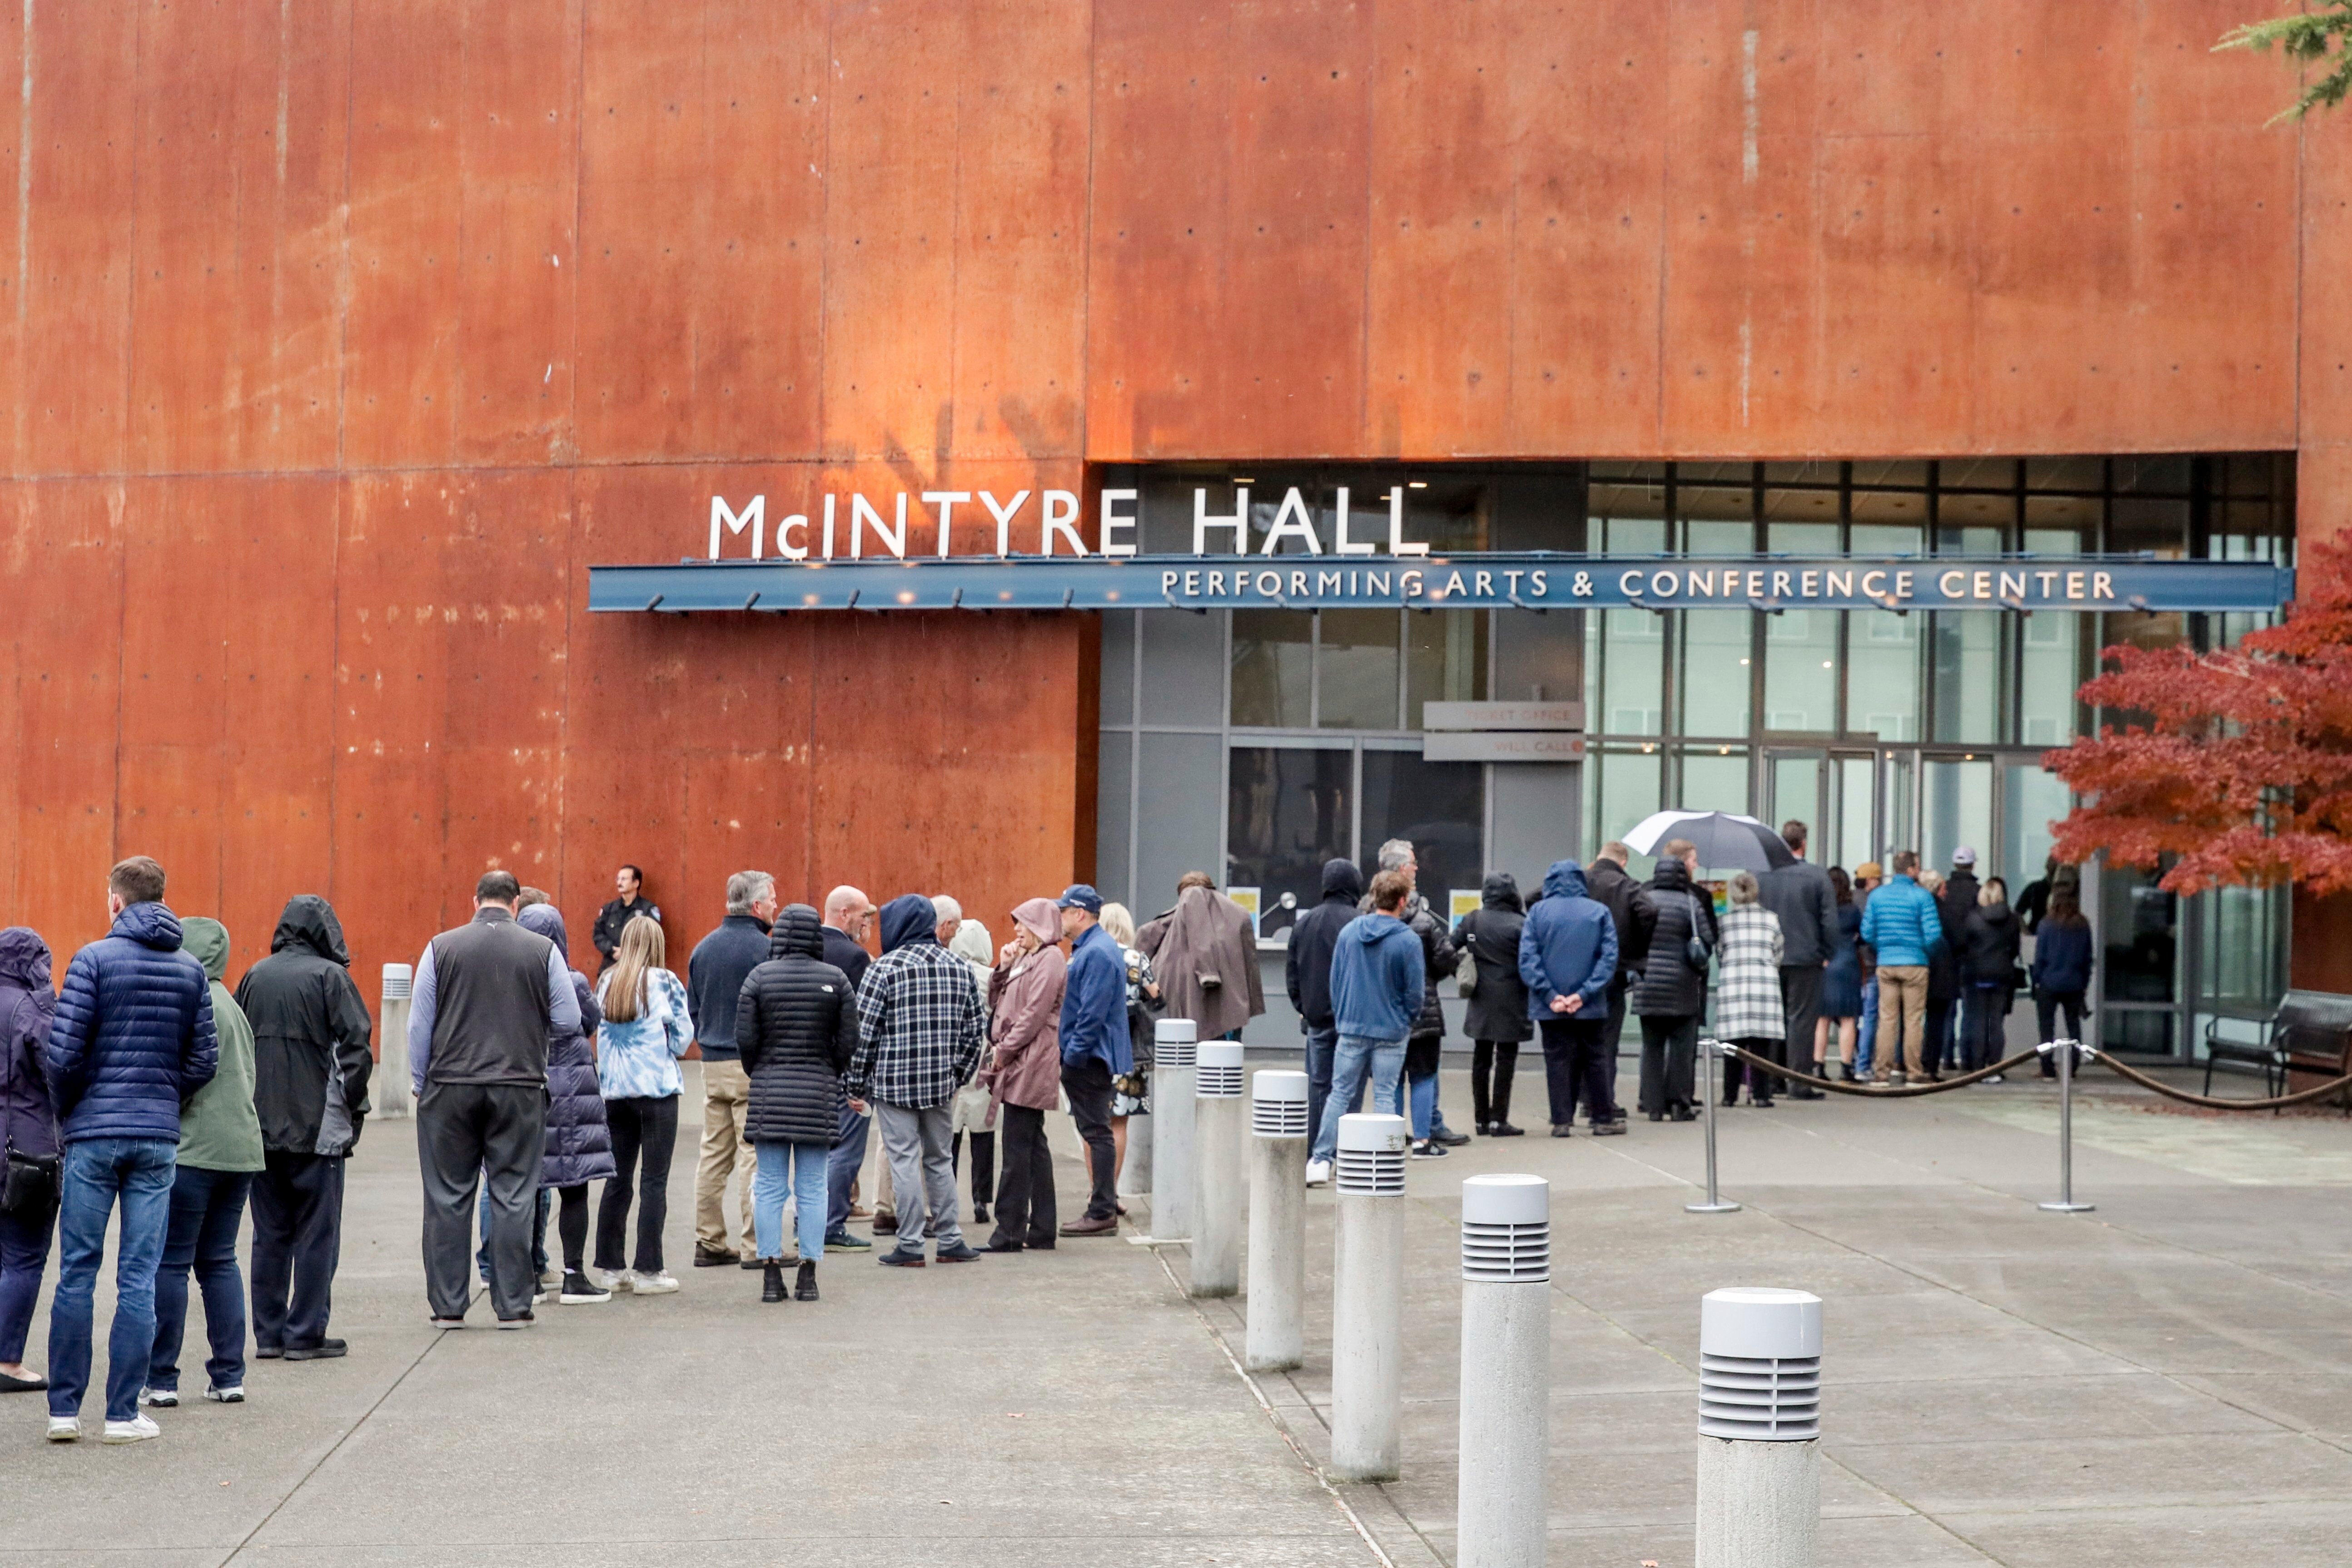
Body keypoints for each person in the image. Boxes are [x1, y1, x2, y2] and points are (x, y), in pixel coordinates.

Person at [44, 856, 218, 1444]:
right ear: (162, 899)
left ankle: (64, 1410)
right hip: (156, 1136)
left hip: (93, 1134)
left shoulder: (92, 959)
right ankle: (121, 1413)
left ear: (115, 901)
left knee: (76, 1273)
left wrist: (72, 1109)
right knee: (138, 1275)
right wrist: (166, 1096)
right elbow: (204, 1060)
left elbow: (62, 1053)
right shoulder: (191, 969)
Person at [409, 869, 577, 1329]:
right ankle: (513, 1305)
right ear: (516, 903)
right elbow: (567, 1017)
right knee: (514, 1194)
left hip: (450, 1084)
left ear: (475, 900)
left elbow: (419, 1023)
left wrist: (420, 1080)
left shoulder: (440, 947)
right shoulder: (541, 950)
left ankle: (447, 1305)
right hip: (519, 1083)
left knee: (446, 1196)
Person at [234, 896, 372, 1362]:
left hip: (261, 1127)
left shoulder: (255, 975)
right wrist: (354, 1109)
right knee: (317, 1234)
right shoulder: (331, 977)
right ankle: (305, 1333)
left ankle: (269, 1335)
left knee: (268, 1233)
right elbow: (356, 1048)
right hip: (319, 1132)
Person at [144, 916, 259, 1411]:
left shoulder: (187, 1001)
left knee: (170, 1263)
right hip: (240, 1151)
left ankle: (162, 1379)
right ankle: (229, 1375)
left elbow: (180, 1076)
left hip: (192, 1150)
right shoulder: (233, 1006)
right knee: (219, 1261)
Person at [847, 894, 988, 1265]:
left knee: (904, 1160)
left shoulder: (883, 969)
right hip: (942, 1084)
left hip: (894, 1085)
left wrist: (855, 1082)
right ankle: (950, 1239)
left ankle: (910, 1244)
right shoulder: (959, 967)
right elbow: (976, 1031)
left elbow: (864, 1033)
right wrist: (958, 1073)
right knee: (940, 1159)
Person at [736, 903, 861, 1303]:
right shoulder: (835, 978)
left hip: (770, 1090)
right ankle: (809, 1274)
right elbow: (848, 1040)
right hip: (818, 1091)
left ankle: (771, 1274)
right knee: (812, 1186)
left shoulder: (759, 977)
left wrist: (760, 1069)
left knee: (770, 1185)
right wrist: (830, 1069)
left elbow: (745, 1038)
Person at [517, 903, 615, 1304]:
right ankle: (574, 1276)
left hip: (528, 1090)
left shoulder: (513, 979)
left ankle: (529, 1276)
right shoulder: (573, 981)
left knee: (528, 1185)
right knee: (574, 1187)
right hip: (573, 1097)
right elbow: (591, 1021)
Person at [592, 915, 693, 1294]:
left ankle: (611, 1267)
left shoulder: (606, 981)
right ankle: (649, 1270)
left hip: (615, 1093)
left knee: (617, 1181)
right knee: (654, 1181)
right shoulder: (665, 981)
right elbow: (683, 1039)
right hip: (657, 1092)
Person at [1306, 870, 1424, 1183]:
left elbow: (1336, 980)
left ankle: (1320, 1160)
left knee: (1339, 1093)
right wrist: (1407, 1019)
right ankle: (1386, 1160)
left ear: (1372, 897)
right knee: (1385, 1094)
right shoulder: (1408, 940)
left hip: (1352, 1025)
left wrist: (1344, 1014)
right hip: (1391, 1028)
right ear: (1402, 901)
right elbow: (1414, 992)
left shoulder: (1349, 933)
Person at [685, 870, 777, 1269]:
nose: (777, 905)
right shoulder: (766, 950)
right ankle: (757, 1245)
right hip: (751, 1064)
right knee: (753, 1154)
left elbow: (693, 1007)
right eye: (773, 898)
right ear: (757, 906)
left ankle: (708, 1239)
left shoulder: (703, 949)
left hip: (712, 1062)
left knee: (713, 1154)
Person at [981, 899, 1068, 1252]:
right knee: (1033, 1147)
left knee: (1017, 1149)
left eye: (1023, 924)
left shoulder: (1049, 959)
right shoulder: (1030, 958)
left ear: (1040, 926)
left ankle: (1010, 1230)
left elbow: (1033, 1013)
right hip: (1024, 1061)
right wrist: (1002, 967)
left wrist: (1004, 1051)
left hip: (1028, 1063)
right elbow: (996, 1001)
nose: (1016, 930)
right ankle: (1042, 1228)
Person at [1516, 862, 1620, 1136]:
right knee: (1596, 1059)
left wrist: (1551, 996)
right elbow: (1608, 960)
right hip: (1591, 1004)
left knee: (1558, 1061)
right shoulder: (1599, 912)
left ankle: (1562, 1120)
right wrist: (1583, 994)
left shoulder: (1537, 913)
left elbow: (1528, 959)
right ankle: (1601, 1118)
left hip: (1550, 1006)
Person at [0, 928, 57, 1397]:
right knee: (22, 1259)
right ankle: (7, 1360)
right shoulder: (33, 1010)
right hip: (26, 1151)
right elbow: (57, 1073)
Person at [1055, 885, 1128, 1236]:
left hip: (1090, 1057)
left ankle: (1101, 1210)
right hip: (1092, 1054)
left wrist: (1072, 1057)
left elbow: (1091, 1014)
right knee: (1097, 1130)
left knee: (1097, 1132)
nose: (1060, 917)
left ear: (1079, 913)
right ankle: (1103, 1206)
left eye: (1064, 910)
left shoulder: (1096, 952)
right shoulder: (1095, 947)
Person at [1631, 839, 1715, 1122]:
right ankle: (1679, 1103)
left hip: (1648, 984)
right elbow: (1706, 940)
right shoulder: (1691, 903)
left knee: (1652, 1047)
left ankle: (1654, 1106)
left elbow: (1632, 939)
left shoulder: (1643, 898)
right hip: (1682, 986)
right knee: (1681, 1048)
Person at [1283, 858, 1362, 1157]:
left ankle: (1315, 1150)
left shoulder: (1305, 922)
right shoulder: (1359, 922)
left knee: (1319, 1086)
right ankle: (1346, 1149)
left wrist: (1304, 1007)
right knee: (1349, 1086)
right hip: (1352, 1020)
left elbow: (1292, 972)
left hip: (1317, 1019)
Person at [1759, 821, 1839, 1102]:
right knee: (1801, 1021)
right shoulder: (1817, 876)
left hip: (1768, 956)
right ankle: (1798, 1082)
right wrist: (1828, 952)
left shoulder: (1762, 874)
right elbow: (1829, 920)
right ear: (1803, 843)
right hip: (1806, 956)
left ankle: (1770, 1080)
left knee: (1772, 1019)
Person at [818, 885, 877, 1254]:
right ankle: (830, 1224)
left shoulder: (799, 949)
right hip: (844, 1065)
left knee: (817, 1149)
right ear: (844, 915)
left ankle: (810, 1220)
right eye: (862, 915)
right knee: (845, 1147)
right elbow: (859, 1023)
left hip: (808, 1065)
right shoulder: (855, 957)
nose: (866, 921)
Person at [1139, 872, 1265, 1042]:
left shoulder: (1158, 929)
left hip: (1174, 1023)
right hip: (1226, 1019)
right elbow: (1249, 967)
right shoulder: (1237, 917)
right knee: (1221, 1064)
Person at [937, 897, 999, 1229]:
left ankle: (947, 1196)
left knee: (950, 1133)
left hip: (952, 1055)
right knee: (983, 1130)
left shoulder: (948, 970)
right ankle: (981, 1199)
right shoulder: (993, 977)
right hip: (986, 1058)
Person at [1455, 872, 1532, 1136]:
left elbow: (1449, 948)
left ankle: (1481, 1120)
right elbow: (1530, 963)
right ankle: (1500, 1119)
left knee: (1481, 1059)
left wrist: (1465, 968)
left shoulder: (1473, 920)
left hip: (1481, 999)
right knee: (1506, 1059)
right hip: (1513, 998)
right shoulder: (1521, 924)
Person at [1859, 851, 1941, 1087]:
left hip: (1887, 963)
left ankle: (1882, 1073)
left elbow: (1867, 933)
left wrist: (1883, 947)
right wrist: (1923, 952)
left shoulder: (1877, 896)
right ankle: (1914, 1072)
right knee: (1914, 1020)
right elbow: (1934, 935)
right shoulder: (1923, 897)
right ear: (1912, 870)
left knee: (1887, 1019)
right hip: (1915, 964)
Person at [1584, 842, 1656, 1111]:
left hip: (1579, 971)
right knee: (1607, 1040)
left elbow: (1534, 898)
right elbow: (1649, 911)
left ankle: (1584, 1099)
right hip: (1613, 972)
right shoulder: (1626, 886)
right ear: (1623, 861)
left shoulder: (1580, 880)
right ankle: (1603, 1101)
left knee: (1583, 1037)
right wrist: (1634, 948)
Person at [1098, 902, 1161, 1197]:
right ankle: (1111, 1189)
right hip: (1127, 1051)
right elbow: (1157, 998)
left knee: (1093, 1122)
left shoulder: (1092, 954)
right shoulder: (1136, 959)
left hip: (1095, 1049)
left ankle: (1094, 1191)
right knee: (1118, 1123)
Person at [1714, 873, 1786, 1107]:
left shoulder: (1724, 922)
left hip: (1734, 983)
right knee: (1761, 1045)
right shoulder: (1771, 920)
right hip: (1763, 985)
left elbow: (1721, 954)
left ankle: (1729, 1095)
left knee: (1732, 1045)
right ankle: (1762, 1095)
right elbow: (1778, 953)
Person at [2029, 884, 2095, 1080]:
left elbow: (2040, 957)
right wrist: (2084, 983)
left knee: (2046, 1029)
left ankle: (2047, 1069)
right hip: (2074, 983)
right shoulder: (2082, 925)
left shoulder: (2046, 925)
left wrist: (2037, 980)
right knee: (2074, 1027)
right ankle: (2072, 1067)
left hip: (2049, 983)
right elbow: (2087, 958)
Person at [1959, 877, 2023, 1078]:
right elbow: (2015, 949)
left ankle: (1978, 1066)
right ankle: (1995, 1066)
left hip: (1977, 973)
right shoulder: (2012, 919)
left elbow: (1964, 946)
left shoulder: (1972, 918)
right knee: (1996, 1022)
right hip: (2002, 974)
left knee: (1978, 1020)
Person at [1815, 867, 1864, 1080]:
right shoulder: (1852, 910)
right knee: (1847, 1019)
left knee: (1822, 1019)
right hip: (1847, 964)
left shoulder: (1820, 910)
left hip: (1825, 964)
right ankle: (1846, 1067)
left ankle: (1818, 1065)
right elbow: (1864, 936)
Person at [1919, 869, 1960, 1081]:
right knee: (1936, 1022)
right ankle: (1931, 1065)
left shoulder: (1917, 908)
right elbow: (1958, 941)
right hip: (1942, 972)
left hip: (1918, 966)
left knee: (1909, 1018)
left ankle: (1906, 1063)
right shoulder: (1946, 912)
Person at [592, 864, 661, 974]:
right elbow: (598, 934)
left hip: (636, 970)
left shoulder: (648, 910)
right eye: (618, 879)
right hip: (610, 968)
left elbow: (651, 937)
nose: (619, 883)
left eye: (624, 879)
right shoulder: (609, 909)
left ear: (636, 883)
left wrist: (627, 953)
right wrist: (611, 950)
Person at [1850, 861, 1883, 1076]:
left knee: (1849, 1018)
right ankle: (1864, 1064)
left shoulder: (1850, 899)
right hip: (1871, 965)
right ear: (1872, 880)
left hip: (1851, 966)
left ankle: (1851, 1058)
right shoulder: (1875, 901)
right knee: (1871, 1017)